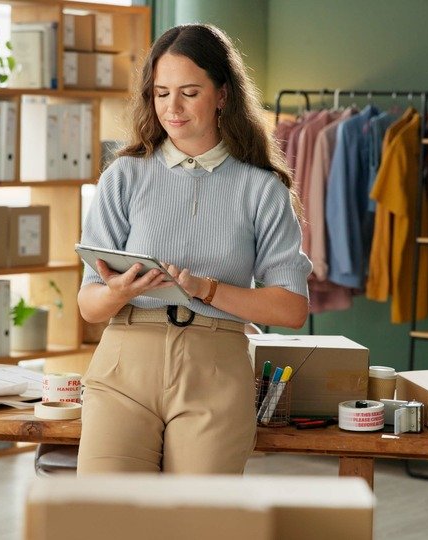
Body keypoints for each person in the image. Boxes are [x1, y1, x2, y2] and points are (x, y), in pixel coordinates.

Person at [76, 24, 312, 475]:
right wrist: (119, 291)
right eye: (161, 93)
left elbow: (291, 308)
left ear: (222, 95)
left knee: (198, 520)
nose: (173, 108)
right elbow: (89, 304)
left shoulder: (261, 188)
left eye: (188, 92)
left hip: (216, 370)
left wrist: (207, 288)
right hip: (125, 363)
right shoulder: (123, 176)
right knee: (104, 515)